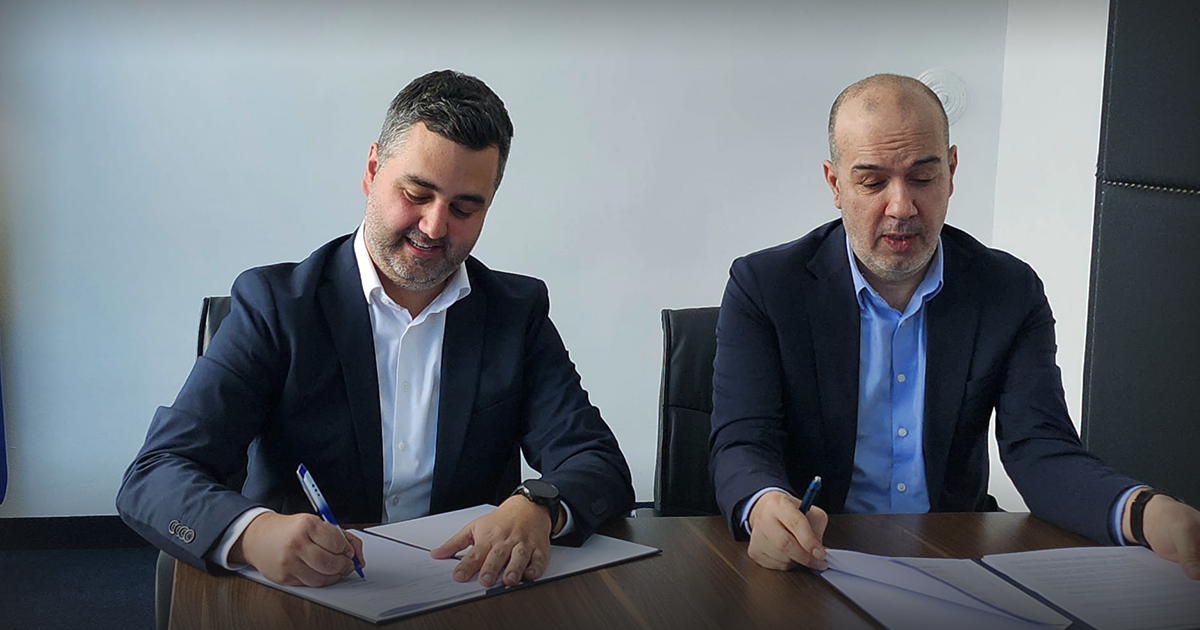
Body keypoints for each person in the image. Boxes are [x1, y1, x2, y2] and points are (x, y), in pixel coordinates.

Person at [117, 70, 634, 589]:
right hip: (309, 596)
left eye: (464, 207)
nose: (434, 226)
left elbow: (598, 463)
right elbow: (155, 475)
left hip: (461, 592)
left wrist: (538, 505)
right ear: (371, 171)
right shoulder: (277, 307)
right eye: (417, 193)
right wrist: (253, 534)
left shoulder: (515, 314)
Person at [709, 73, 1200, 579]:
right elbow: (743, 441)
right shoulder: (765, 286)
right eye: (872, 182)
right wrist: (763, 503)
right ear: (836, 184)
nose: (901, 207)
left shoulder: (1008, 291)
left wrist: (1145, 513)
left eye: (923, 178)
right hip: (817, 555)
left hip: (952, 559)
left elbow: (1041, 449)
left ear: (951, 171)